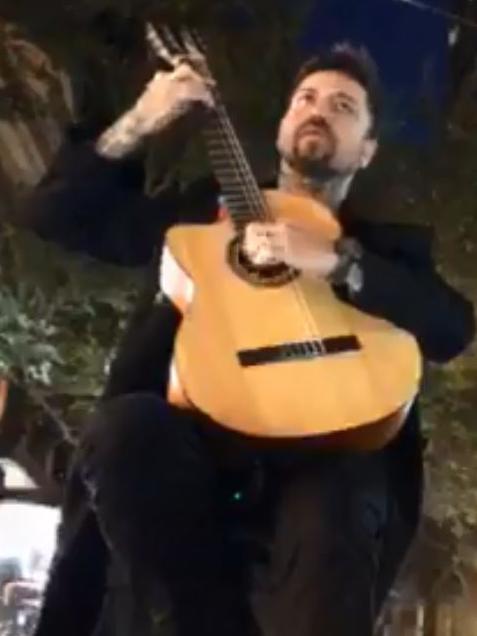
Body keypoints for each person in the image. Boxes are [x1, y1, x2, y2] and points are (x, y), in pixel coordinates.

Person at [21, 43, 474, 636]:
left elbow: (450, 328)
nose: (319, 110)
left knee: (341, 502)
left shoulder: (384, 250)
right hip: (192, 435)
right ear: (283, 124)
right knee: (121, 430)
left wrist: (338, 262)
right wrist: (142, 118)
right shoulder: (202, 217)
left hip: (328, 448)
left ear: (366, 149)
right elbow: (54, 215)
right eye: (306, 98)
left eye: (343, 106)